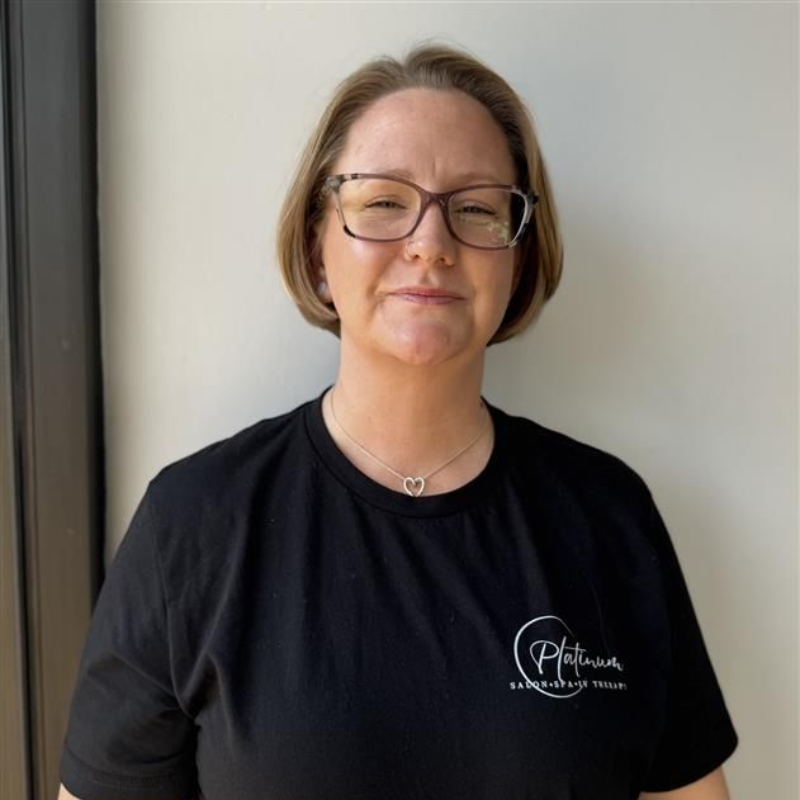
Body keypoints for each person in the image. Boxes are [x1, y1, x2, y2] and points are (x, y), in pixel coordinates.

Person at [58, 43, 738, 800]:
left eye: (476, 208)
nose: (430, 244)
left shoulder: (608, 516)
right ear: (319, 249)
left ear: (517, 262)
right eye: (383, 202)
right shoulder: (193, 525)